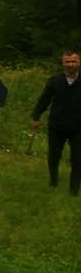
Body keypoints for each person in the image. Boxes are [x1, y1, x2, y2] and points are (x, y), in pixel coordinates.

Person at [31, 50, 81, 196]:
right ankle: (53, 181)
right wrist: (36, 116)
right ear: (63, 63)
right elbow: (44, 100)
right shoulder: (54, 80)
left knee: (77, 159)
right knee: (53, 156)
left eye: (73, 61)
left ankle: (74, 189)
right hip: (56, 125)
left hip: (78, 127)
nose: (70, 64)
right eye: (67, 61)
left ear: (78, 62)